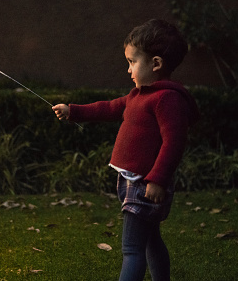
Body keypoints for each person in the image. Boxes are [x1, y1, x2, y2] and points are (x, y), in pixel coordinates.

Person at [52, 19, 199, 281]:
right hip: (133, 181)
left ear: (155, 64)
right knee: (150, 240)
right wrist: (72, 111)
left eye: (132, 62)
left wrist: (157, 180)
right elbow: (107, 108)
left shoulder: (167, 99)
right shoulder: (138, 95)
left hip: (145, 183)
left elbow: (174, 142)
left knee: (132, 249)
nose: (128, 69)